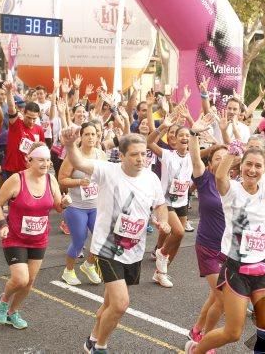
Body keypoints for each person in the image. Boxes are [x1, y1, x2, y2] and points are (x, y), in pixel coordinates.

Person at [185, 121, 265, 354]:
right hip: (236, 268)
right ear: (241, 166)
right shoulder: (232, 189)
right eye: (248, 165)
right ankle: (195, 350)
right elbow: (220, 177)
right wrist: (232, 153)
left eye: (258, 166)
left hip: (263, 268)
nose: (253, 170)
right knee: (233, 333)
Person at [61, 129, 170, 354]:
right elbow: (79, 161)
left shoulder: (151, 177)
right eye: (134, 154)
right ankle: (100, 347)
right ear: (121, 156)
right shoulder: (107, 171)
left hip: (134, 249)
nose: (141, 159)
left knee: (110, 304)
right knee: (120, 304)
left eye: (144, 154)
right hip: (107, 247)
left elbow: (160, 205)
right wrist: (71, 145)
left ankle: (91, 339)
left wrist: (163, 221)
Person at [0, 143, 69, 329]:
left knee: (30, 281)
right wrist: (2, 224)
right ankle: (3, 301)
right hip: (15, 236)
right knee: (20, 279)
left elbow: (58, 207)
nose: (46, 163)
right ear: (29, 160)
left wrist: (65, 203)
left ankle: (13, 312)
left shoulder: (51, 180)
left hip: (39, 238)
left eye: (48, 160)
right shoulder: (16, 180)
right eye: (41, 159)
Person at [187, 117, 229, 342]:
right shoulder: (205, 180)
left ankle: (196, 329)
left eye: (226, 158)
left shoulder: (236, 184)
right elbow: (195, 158)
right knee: (222, 298)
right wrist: (194, 134)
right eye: (217, 158)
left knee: (215, 295)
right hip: (207, 247)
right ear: (211, 164)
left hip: (229, 248)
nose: (222, 161)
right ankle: (205, 339)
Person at [58, 122, 107, 285]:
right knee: (79, 240)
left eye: (94, 134)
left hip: (96, 206)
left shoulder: (101, 155)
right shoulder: (74, 155)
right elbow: (62, 179)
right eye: (87, 134)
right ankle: (68, 271)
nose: (91, 137)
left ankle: (89, 265)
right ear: (81, 136)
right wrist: (79, 181)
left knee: (103, 238)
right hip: (76, 207)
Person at [147, 115, 193, 288]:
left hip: (181, 201)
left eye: (188, 136)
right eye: (181, 135)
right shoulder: (166, 154)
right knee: (179, 232)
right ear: (173, 138)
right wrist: (162, 127)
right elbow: (149, 142)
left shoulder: (192, 156)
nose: (184, 138)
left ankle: (161, 272)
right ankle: (160, 253)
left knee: (178, 240)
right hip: (165, 201)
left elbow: (214, 150)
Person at [2, 81, 45, 179]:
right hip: (12, 171)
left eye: (34, 119)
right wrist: (9, 92)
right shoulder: (16, 123)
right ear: (23, 113)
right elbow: (11, 107)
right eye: (29, 117)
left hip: (29, 171)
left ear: (38, 116)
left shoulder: (39, 130)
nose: (31, 121)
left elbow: (42, 150)